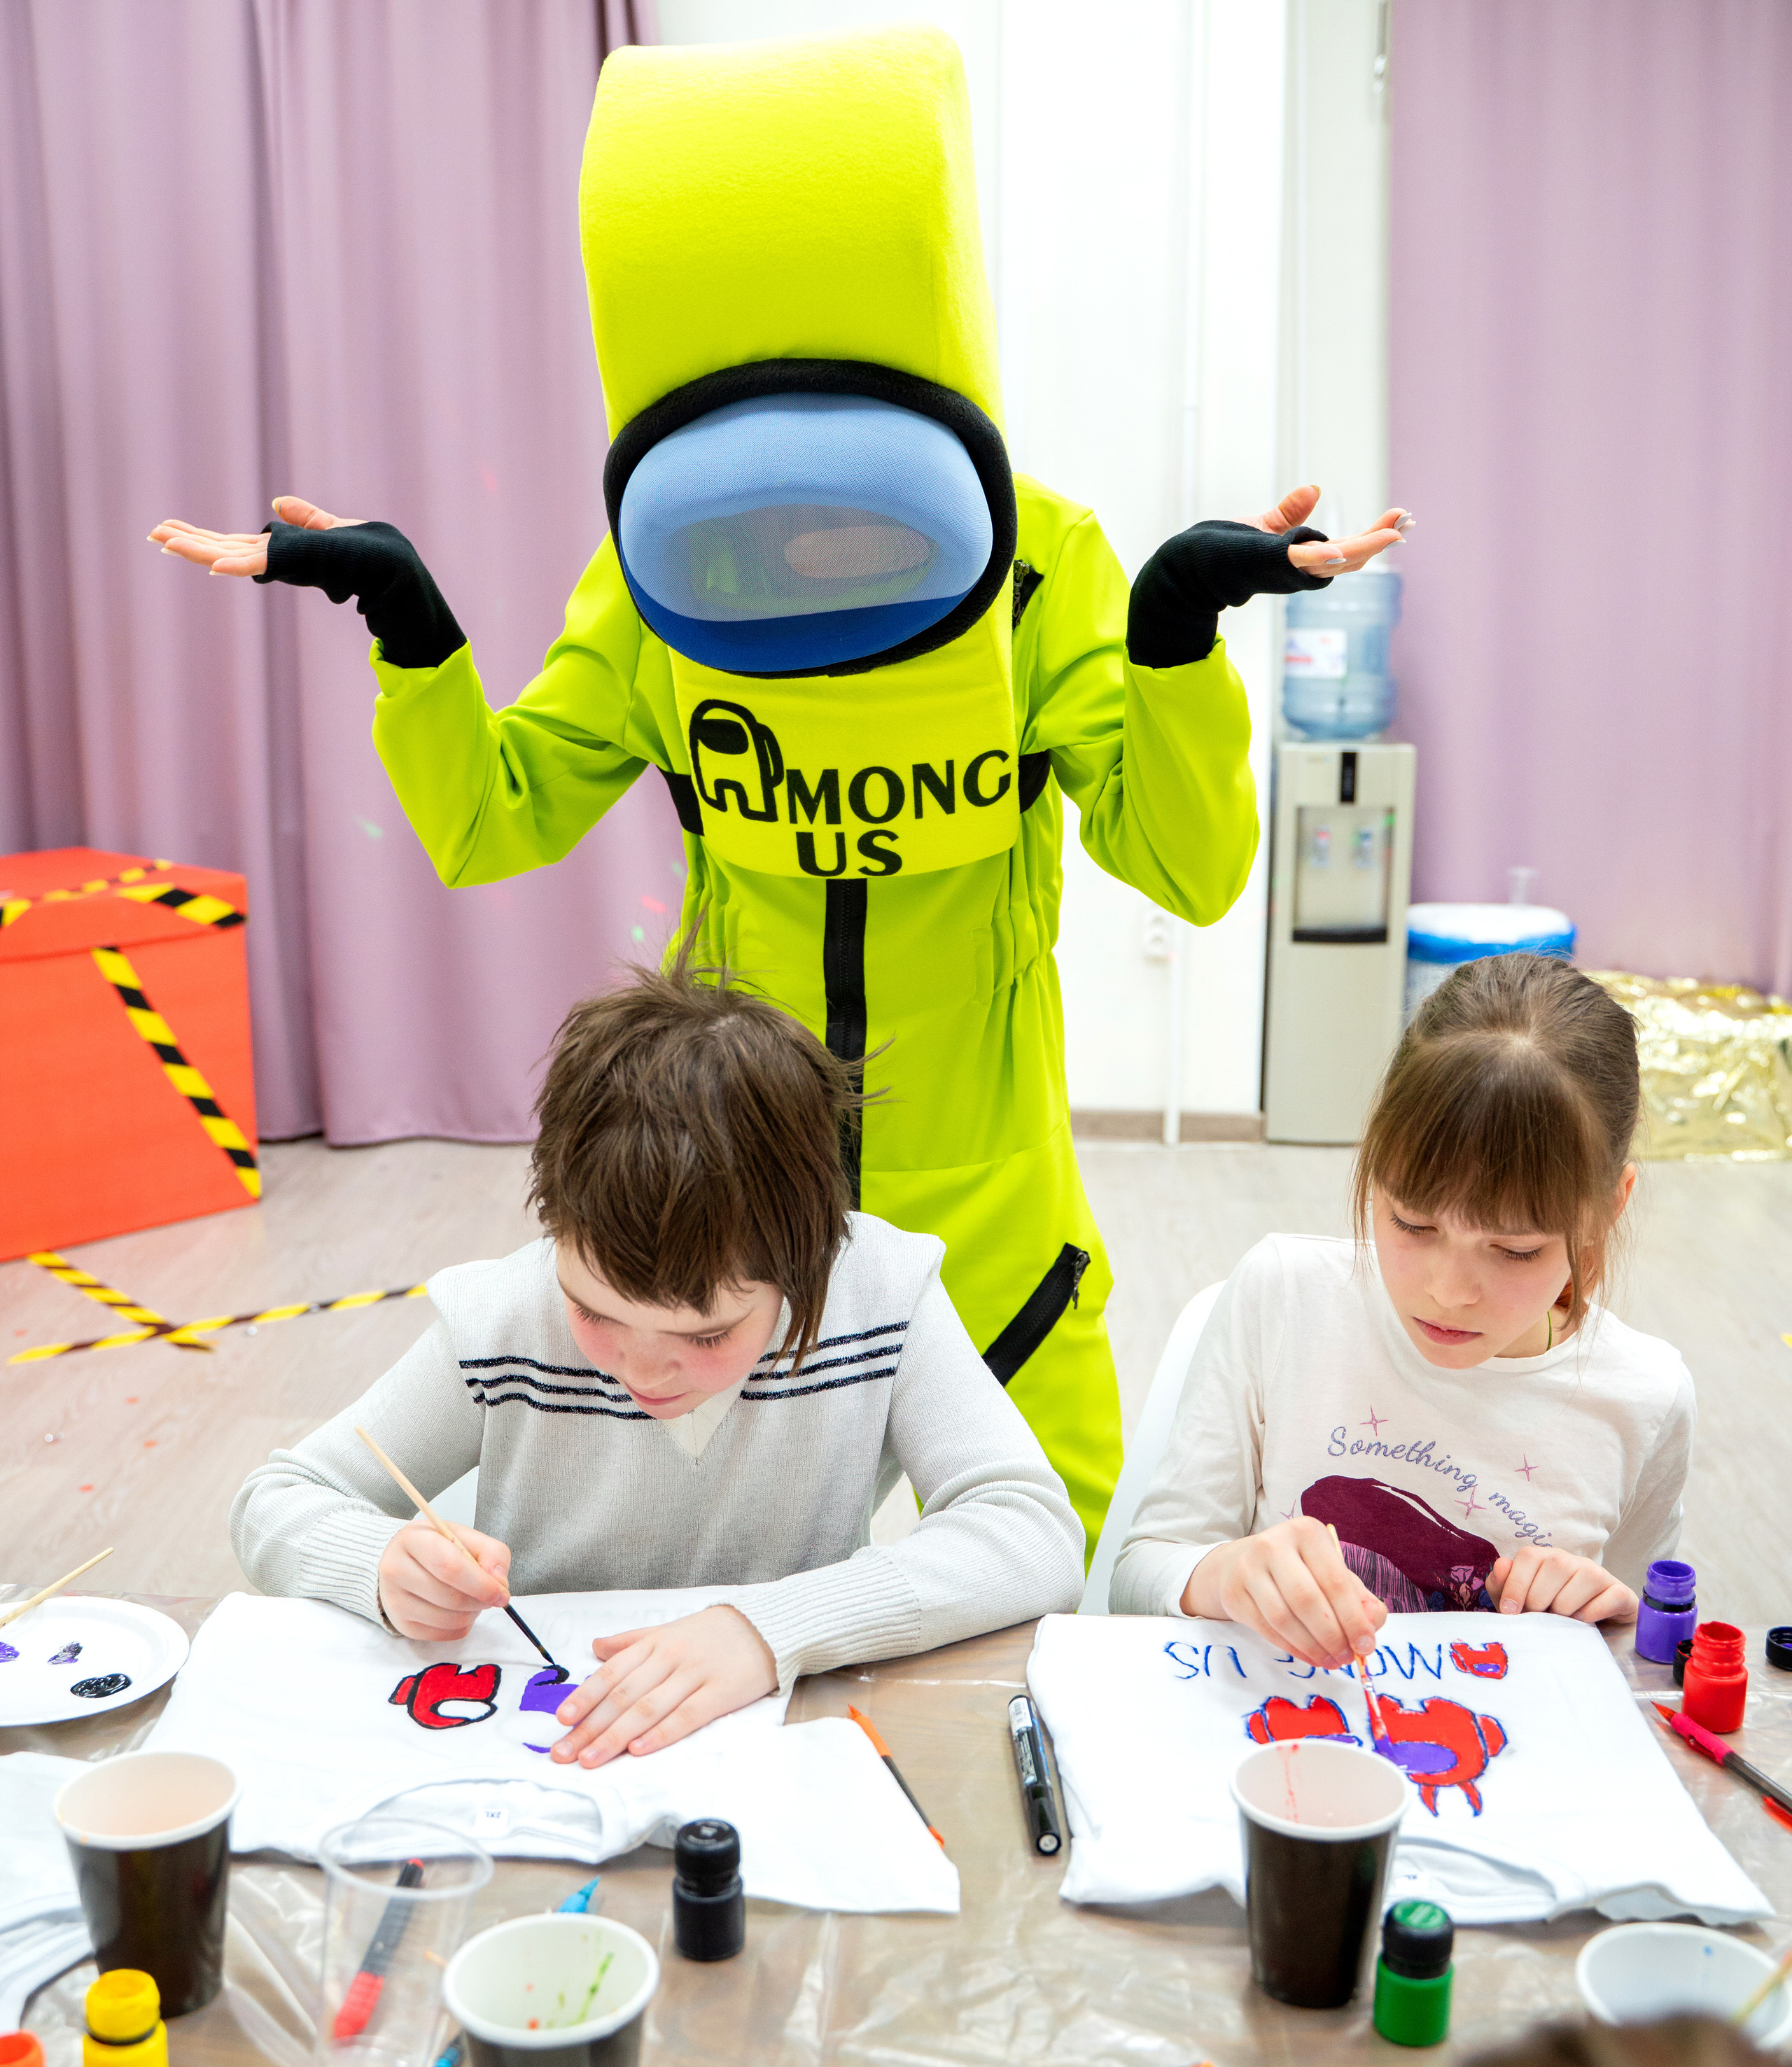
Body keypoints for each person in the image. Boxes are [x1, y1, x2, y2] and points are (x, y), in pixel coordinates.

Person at [153, 24, 1410, 1556]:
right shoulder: (661, 588)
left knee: (1054, 1571)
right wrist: (410, 629)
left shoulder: (1037, 565)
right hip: (723, 1182)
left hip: (985, 1191)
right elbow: (495, 820)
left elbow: (1189, 868)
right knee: (705, 1582)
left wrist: (1170, 648)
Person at [229, 960, 1084, 1767]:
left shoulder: (882, 1293)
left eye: (706, 1336)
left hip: (784, 1740)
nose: (644, 1369)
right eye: (594, 1311)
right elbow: (276, 1501)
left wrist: (767, 1627)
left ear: (809, 1255)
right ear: (555, 1227)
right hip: (549, 1741)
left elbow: (1034, 1533)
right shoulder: (501, 1317)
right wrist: (380, 1562)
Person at [1111, 953, 1693, 1669]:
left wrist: (1612, 1618)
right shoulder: (1285, 1297)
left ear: (1610, 1208)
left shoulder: (1643, 1396)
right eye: (1414, 1225)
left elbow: (1652, 1656)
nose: (1449, 1290)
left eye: (1513, 1250)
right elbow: (1138, 1575)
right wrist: (1225, 1576)